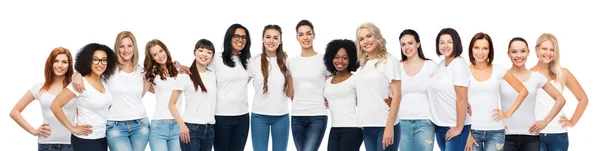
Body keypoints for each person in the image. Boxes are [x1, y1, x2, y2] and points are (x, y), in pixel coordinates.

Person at [50, 43, 118, 151]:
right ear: (88, 61)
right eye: (95, 59)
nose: (100, 63)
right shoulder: (80, 83)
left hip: (101, 139)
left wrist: (76, 74)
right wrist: (72, 128)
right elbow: (55, 105)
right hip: (85, 140)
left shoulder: (104, 81)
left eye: (104, 60)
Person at [10, 47, 76, 151]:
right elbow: (14, 112)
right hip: (46, 145)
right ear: (51, 63)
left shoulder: (74, 88)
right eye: (56, 61)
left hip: (71, 144)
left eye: (64, 62)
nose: (59, 65)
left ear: (69, 65)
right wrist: (33, 131)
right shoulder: (39, 88)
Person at [531, 33, 588, 151]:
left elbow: (583, 99)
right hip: (535, 134)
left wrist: (572, 122)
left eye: (552, 49)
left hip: (558, 134)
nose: (548, 53)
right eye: (544, 49)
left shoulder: (563, 73)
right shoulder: (528, 74)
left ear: (556, 53)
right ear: (537, 50)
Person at [354, 22, 402, 151]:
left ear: (377, 37)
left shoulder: (389, 61)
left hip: (385, 125)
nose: (366, 41)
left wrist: (389, 127)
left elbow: (397, 95)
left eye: (369, 36)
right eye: (361, 39)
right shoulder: (363, 65)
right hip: (367, 126)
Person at [287, 20, 329, 151]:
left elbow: (336, 80)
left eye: (308, 33)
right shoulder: (291, 62)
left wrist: (329, 98)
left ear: (314, 35)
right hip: (296, 116)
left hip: (317, 115)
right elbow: (290, 91)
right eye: (301, 34)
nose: (305, 37)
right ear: (297, 38)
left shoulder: (324, 60)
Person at [323, 39, 363, 151]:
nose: (340, 61)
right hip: (334, 128)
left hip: (352, 129)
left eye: (345, 58)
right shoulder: (327, 81)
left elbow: (368, 98)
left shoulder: (356, 79)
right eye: (336, 57)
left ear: (351, 60)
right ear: (331, 58)